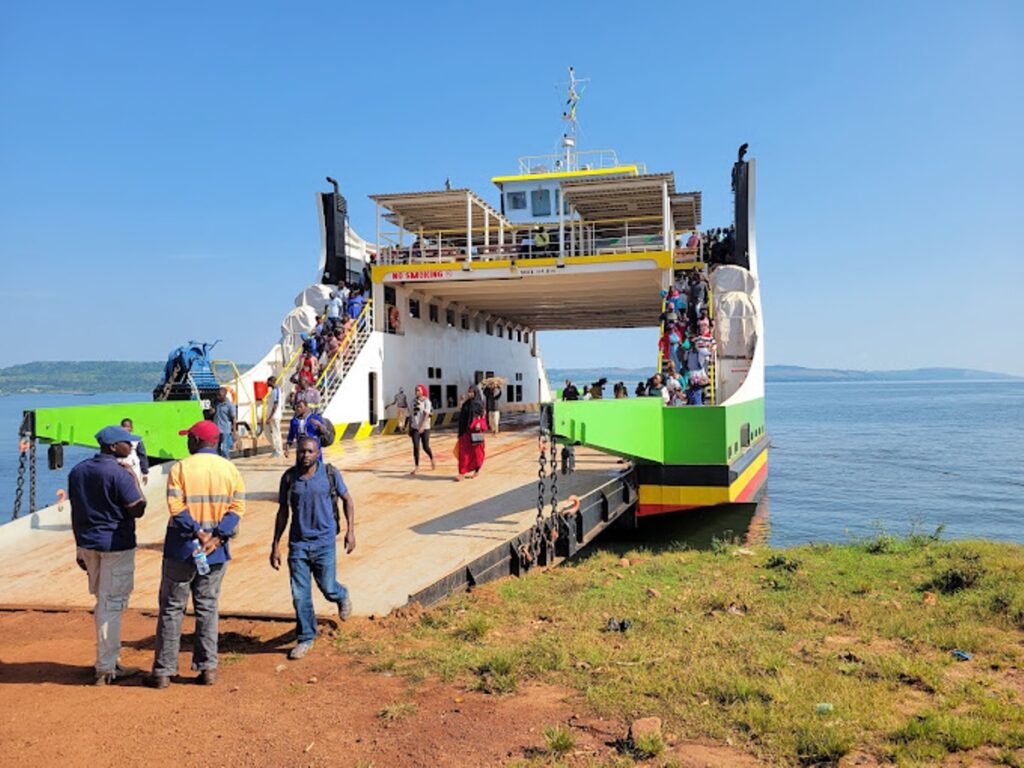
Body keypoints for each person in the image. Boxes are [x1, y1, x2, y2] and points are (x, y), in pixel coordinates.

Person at [146, 420, 245, 689]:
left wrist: (198, 533)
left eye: (189, 437)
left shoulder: (180, 467)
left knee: (171, 609)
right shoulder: (230, 469)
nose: (186, 441)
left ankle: (163, 672)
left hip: (182, 547)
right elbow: (237, 509)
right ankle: (208, 669)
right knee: (207, 608)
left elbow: (175, 506)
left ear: (199, 441)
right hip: (215, 551)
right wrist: (216, 537)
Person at [69, 425, 148, 685]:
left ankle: (108, 661)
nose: (131, 447)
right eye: (127, 443)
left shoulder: (78, 471)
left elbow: (76, 511)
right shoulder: (119, 473)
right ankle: (106, 667)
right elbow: (137, 509)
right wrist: (135, 479)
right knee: (111, 605)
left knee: (102, 601)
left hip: (89, 545)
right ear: (113, 447)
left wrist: (79, 546)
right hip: (117, 544)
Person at [271, 436, 356, 659]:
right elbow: (282, 512)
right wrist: (275, 544)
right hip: (298, 544)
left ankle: (342, 594)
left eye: (310, 451)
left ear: (318, 453)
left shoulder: (330, 474)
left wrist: (351, 531)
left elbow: (348, 500)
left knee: (328, 587)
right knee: (300, 595)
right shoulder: (289, 478)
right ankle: (306, 637)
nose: (305, 455)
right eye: (301, 451)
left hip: (324, 543)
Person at [455, 385, 486, 481]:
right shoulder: (466, 403)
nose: (469, 393)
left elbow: (483, 416)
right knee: (463, 452)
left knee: (477, 453)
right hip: (465, 431)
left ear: (475, 393)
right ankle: (461, 473)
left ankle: (477, 470)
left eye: (471, 392)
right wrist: (461, 401)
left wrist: (479, 424)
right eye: (469, 391)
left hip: (475, 432)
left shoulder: (479, 404)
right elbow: (462, 413)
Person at [408, 384, 435, 474]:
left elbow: (427, 414)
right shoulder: (413, 402)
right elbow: (411, 415)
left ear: (423, 391)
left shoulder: (427, 402)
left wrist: (422, 426)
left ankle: (432, 458)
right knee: (416, 447)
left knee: (425, 447)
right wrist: (409, 427)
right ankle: (417, 466)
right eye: (416, 390)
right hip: (415, 427)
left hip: (425, 427)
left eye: (418, 390)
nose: (416, 392)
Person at [118, 417, 149, 487]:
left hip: (134, 467)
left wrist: (145, 473)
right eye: (124, 426)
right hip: (120, 467)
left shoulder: (137, 440)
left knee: (135, 486)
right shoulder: (116, 440)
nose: (126, 428)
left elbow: (142, 456)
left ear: (132, 428)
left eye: (128, 426)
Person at [212, 387, 238, 459]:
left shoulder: (230, 406)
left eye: (219, 395)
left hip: (225, 430)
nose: (218, 397)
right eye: (217, 395)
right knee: (216, 449)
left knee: (224, 449)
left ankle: (227, 462)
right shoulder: (216, 403)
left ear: (225, 395)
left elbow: (234, 419)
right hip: (216, 430)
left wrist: (234, 432)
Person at [264, 375, 284, 457]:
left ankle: (278, 451)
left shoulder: (276, 391)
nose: (266, 383)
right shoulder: (273, 391)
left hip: (274, 416)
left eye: (268, 382)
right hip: (271, 416)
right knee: (268, 432)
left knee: (276, 433)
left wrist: (270, 417)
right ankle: (276, 448)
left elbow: (275, 405)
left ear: (272, 382)